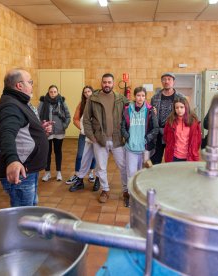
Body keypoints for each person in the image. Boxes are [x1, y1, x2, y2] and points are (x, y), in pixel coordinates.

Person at [0, 68, 50, 207]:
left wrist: (39, 130)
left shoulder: (18, 101)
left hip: (28, 168)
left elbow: (21, 128)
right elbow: (6, 133)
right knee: (23, 213)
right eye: (30, 82)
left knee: (31, 206)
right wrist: (12, 160)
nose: (32, 85)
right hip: (21, 170)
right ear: (19, 85)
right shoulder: (10, 105)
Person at [83, 73, 129, 204]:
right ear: (101, 83)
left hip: (118, 139)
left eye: (109, 82)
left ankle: (126, 190)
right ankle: (105, 190)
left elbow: (135, 108)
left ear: (113, 83)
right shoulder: (93, 98)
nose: (107, 84)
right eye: (104, 82)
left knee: (123, 166)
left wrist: (149, 109)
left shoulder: (121, 99)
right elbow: (86, 119)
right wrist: (92, 136)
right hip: (100, 139)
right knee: (101, 167)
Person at [121, 87, 158, 206]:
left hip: (144, 149)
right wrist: (127, 137)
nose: (140, 98)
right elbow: (122, 127)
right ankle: (132, 197)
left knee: (142, 173)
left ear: (145, 97)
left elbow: (155, 128)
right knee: (131, 173)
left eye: (143, 95)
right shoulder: (127, 109)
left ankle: (141, 196)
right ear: (134, 96)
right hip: (130, 148)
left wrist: (146, 139)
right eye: (138, 95)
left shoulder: (150, 110)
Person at [38, 85, 71, 182]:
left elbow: (68, 116)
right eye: (51, 92)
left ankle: (58, 173)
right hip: (47, 132)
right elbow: (37, 115)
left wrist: (63, 126)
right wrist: (43, 127)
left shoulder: (62, 101)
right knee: (47, 152)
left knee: (58, 152)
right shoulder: (43, 101)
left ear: (57, 92)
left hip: (59, 132)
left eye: (54, 92)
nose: (52, 93)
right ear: (48, 92)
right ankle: (47, 173)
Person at [150, 72, 184, 164]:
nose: (166, 81)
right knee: (155, 161)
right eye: (164, 79)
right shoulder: (155, 97)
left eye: (169, 79)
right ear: (161, 82)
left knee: (172, 161)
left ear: (174, 82)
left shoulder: (180, 97)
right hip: (158, 134)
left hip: (174, 133)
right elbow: (151, 116)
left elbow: (185, 114)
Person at [66, 85, 96, 186]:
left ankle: (91, 173)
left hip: (94, 135)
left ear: (92, 92)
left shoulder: (97, 103)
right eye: (85, 92)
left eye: (89, 91)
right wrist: (83, 129)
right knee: (80, 155)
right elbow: (75, 119)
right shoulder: (81, 104)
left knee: (94, 155)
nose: (87, 93)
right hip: (83, 134)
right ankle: (77, 174)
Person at [163, 97, 201, 162]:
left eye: (181, 107)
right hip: (173, 156)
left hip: (189, 157)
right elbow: (166, 138)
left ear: (186, 107)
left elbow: (198, 141)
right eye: (176, 108)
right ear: (174, 109)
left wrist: (193, 151)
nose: (179, 110)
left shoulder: (194, 123)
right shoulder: (170, 122)